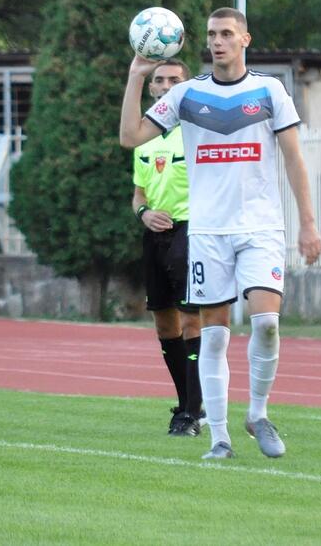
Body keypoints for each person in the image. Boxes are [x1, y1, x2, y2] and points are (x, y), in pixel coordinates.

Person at [120, 7, 321, 459]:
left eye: (227, 34)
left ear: (245, 39)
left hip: (261, 228)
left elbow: (293, 160)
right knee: (213, 335)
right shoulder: (187, 95)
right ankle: (219, 439)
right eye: (212, 34)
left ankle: (257, 413)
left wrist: (308, 223)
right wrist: (137, 74)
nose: (218, 41)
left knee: (266, 324)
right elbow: (131, 137)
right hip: (208, 232)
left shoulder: (270, 91)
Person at [131, 58, 204, 437]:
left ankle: (192, 412)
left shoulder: (196, 129)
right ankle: (187, 402)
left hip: (192, 232)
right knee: (164, 323)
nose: (165, 85)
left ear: (186, 85)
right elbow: (139, 192)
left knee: (192, 319)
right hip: (155, 237)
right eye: (158, 80)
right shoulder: (145, 136)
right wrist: (144, 213)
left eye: (174, 79)